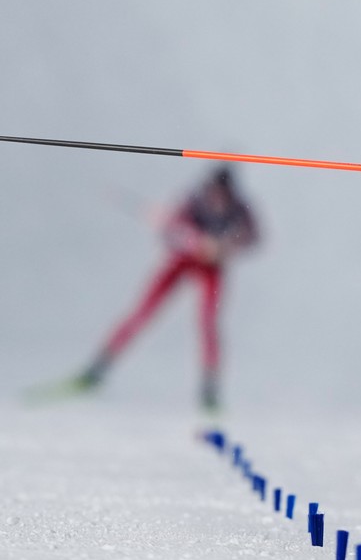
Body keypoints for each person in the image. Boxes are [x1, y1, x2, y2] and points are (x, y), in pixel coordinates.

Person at [73, 165, 258, 410]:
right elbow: (170, 230)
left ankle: (209, 389)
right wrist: (193, 242)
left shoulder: (239, 210)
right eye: (215, 192)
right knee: (142, 312)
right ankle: (97, 370)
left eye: (223, 193)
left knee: (208, 324)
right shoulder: (194, 201)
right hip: (181, 262)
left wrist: (224, 246)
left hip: (212, 269)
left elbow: (253, 238)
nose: (218, 198)